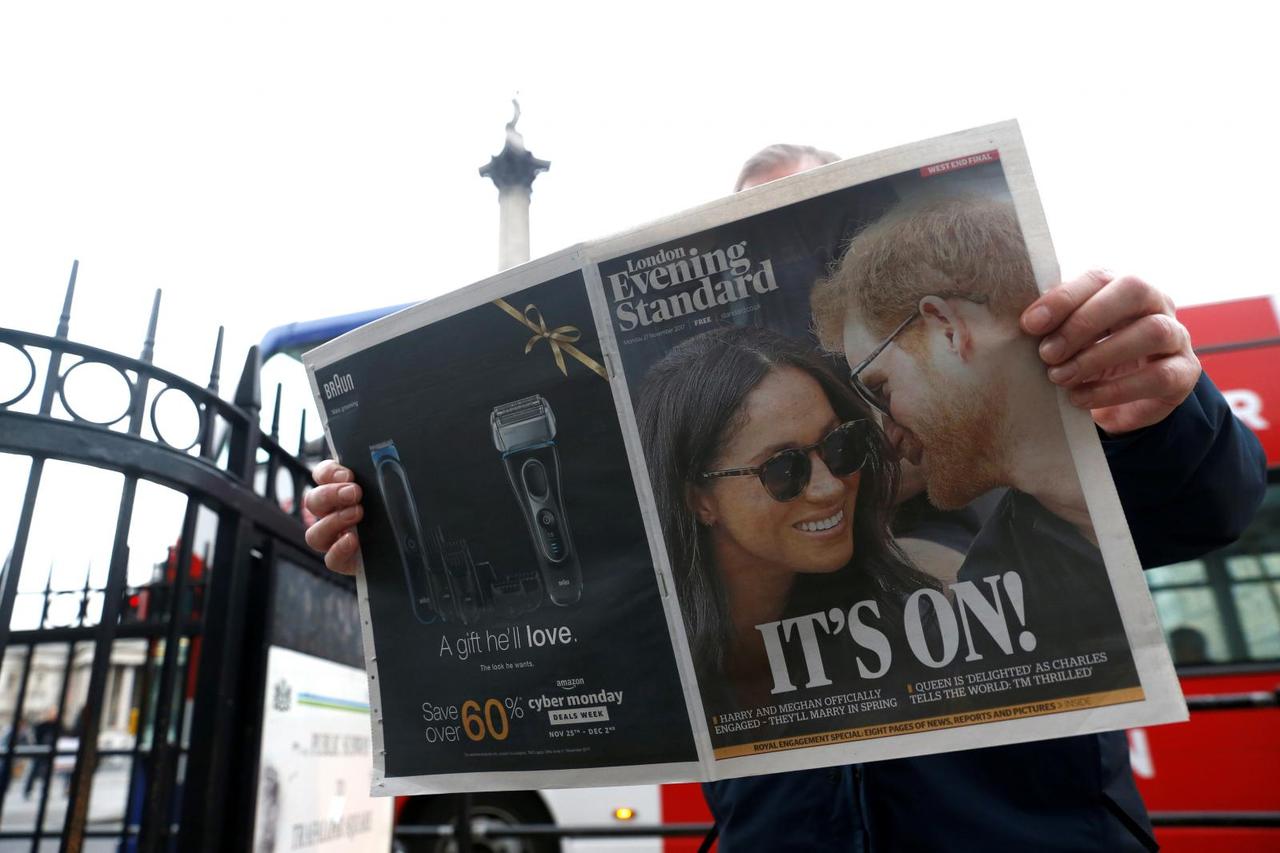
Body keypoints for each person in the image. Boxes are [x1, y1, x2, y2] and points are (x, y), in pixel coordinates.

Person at [801, 194, 1267, 852]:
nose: (881, 432)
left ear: (943, 325)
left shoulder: (1028, 515)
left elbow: (1201, 501)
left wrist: (1165, 405)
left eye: (878, 390)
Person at [633, 326, 933, 710]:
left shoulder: (902, 629)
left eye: (839, 445)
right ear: (699, 500)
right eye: (784, 470)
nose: (831, 488)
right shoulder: (646, 663)